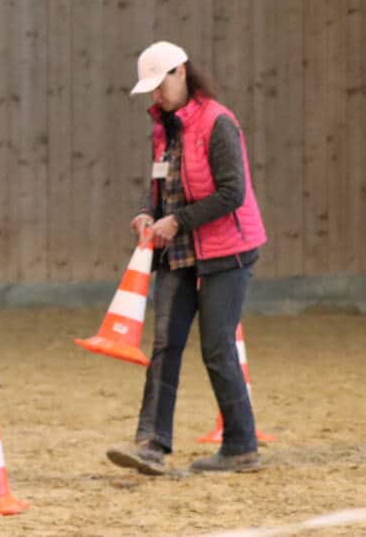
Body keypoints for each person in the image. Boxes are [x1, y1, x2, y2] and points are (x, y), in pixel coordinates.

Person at [105, 41, 267, 474]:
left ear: (182, 73)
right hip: (180, 252)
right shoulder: (164, 128)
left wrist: (178, 220)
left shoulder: (219, 123)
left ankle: (241, 447)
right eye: (151, 89)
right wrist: (146, 212)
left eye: (161, 85)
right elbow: (160, 183)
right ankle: (151, 446)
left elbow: (233, 193)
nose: (156, 96)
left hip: (228, 251)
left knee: (216, 348)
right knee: (165, 345)